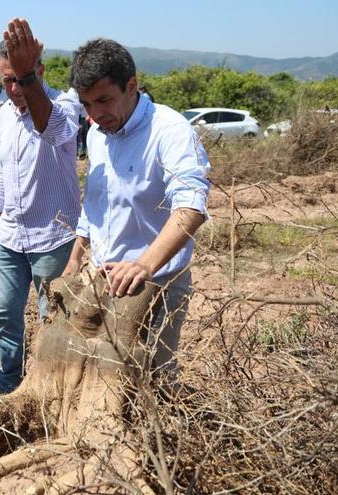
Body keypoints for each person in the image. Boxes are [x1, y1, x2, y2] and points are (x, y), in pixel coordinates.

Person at [62, 32, 211, 382]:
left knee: (151, 380)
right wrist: (74, 257)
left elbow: (191, 207)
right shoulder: (98, 134)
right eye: (87, 105)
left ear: (132, 86)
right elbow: (95, 202)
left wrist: (143, 265)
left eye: (104, 100)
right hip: (103, 281)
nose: (96, 114)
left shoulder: (169, 130)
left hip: (155, 284)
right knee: (104, 377)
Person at [0, 31, 81, 394]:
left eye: (23, 79)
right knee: (5, 314)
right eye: (8, 80)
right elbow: (2, 174)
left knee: (50, 318)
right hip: (11, 237)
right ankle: (10, 385)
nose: (15, 88)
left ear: (40, 71)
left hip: (53, 237)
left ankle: (47, 388)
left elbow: (51, 129)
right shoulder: (4, 114)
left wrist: (28, 82)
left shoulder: (64, 106)